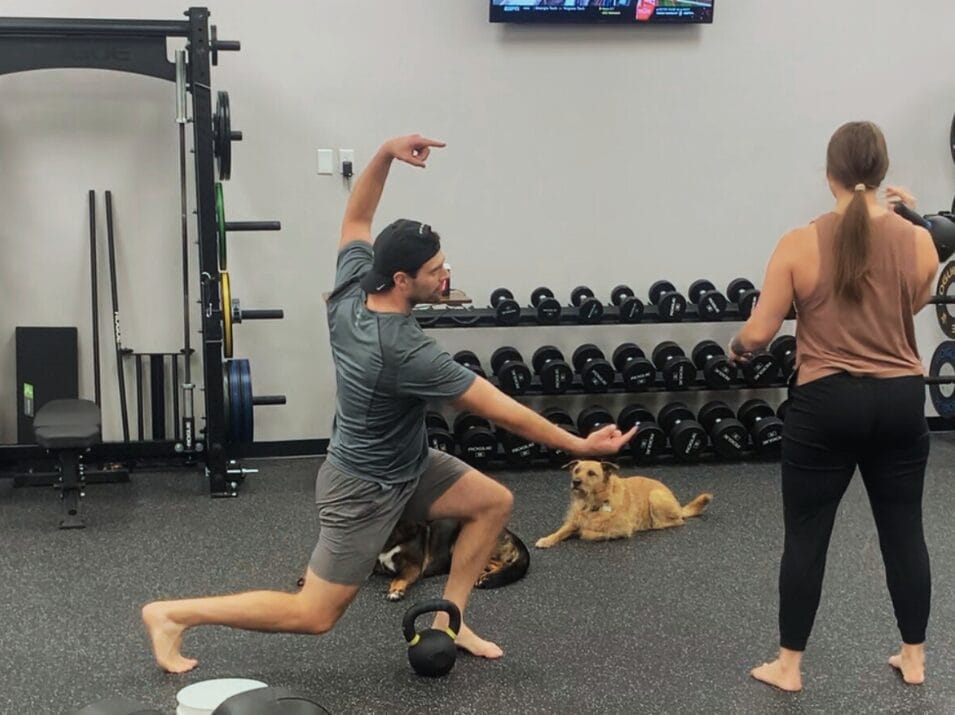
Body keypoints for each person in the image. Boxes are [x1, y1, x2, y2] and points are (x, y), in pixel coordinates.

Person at [142, 133, 635, 673]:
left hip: (409, 465)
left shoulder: (353, 287)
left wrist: (383, 156)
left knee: (492, 502)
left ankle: (451, 619)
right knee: (314, 614)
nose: (445, 275)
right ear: (402, 280)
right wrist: (578, 444)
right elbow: (498, 408)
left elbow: (357, 218)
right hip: (363, 487)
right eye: (435, 271)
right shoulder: (403, 351)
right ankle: (174, 615)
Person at [725, 121, 939, 692]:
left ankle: (789, 667)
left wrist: (737, 346)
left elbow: (760, 333)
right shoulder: (919, 241)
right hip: (900, 400)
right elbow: (914, 301)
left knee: (807, 535)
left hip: (826, 404)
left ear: (829, 175)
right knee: (904, 531)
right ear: (882, 174)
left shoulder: (798, 242)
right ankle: (914, 658)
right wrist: (914, 219)